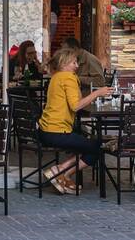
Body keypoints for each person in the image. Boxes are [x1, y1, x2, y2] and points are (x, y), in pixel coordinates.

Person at [37, 48, 115, 194]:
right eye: (74, 62)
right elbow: (76, 106)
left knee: (85, 140)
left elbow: (74, 102)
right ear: (65, 63)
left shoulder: (56, 77)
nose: (77, 65)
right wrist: (97, 93)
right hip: (57, 132)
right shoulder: (68, 78)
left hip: (45, 131)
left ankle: (61, 173)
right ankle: (61, 171)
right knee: (97, 148)